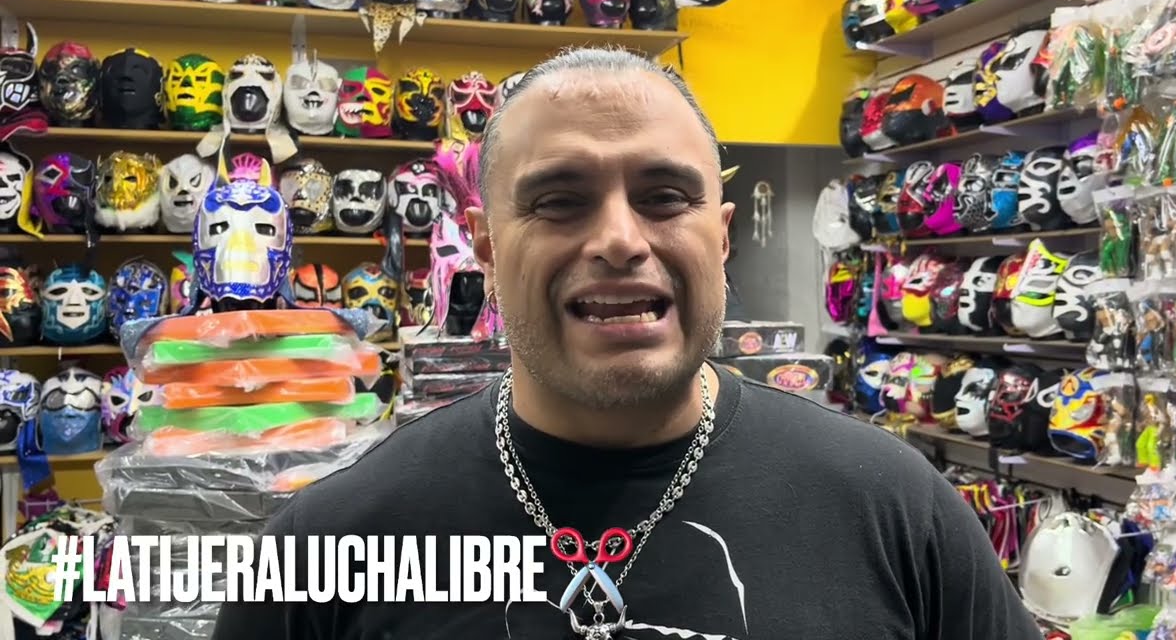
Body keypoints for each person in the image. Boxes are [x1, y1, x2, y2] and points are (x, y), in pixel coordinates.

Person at [212, 47, 1043, 640]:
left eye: (665, 195)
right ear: (486, 247)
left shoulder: (895, 508)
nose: (619, 239)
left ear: (722, 236)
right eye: (559, 200)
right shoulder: (331, 545)